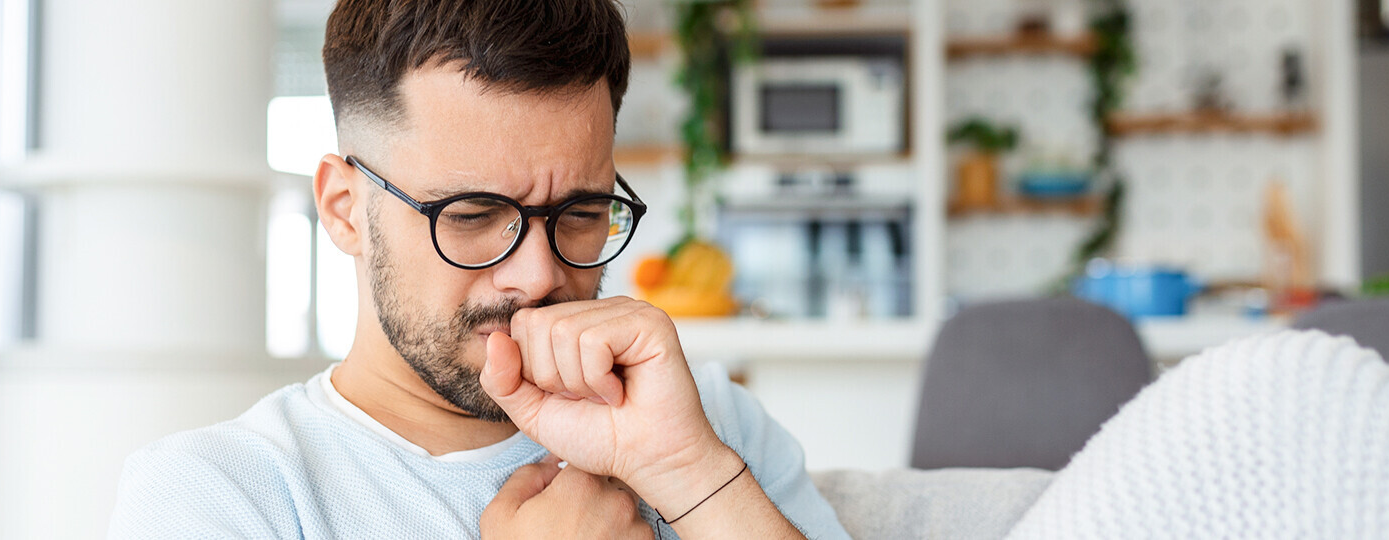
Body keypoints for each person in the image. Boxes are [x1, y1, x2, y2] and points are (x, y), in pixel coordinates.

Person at [108, 0, 847, 538]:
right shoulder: (220, 494)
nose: (537, 276)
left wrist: (692, 476)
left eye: (581, 212)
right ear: (342, 209)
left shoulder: (706, 422)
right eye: (471, 215)